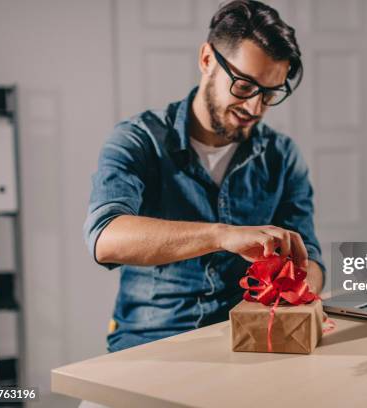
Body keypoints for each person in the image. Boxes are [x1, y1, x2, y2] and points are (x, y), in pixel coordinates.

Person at [83, 0, 324, 354]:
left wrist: (298, 285)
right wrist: (221, 236)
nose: (255, 109)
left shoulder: (282, 156)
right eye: (244, 86)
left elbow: (312, 259)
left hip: (251, 339)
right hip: (151, 343)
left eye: (270, 93)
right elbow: (105, 238)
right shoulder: (137, 140)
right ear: (207, 60)